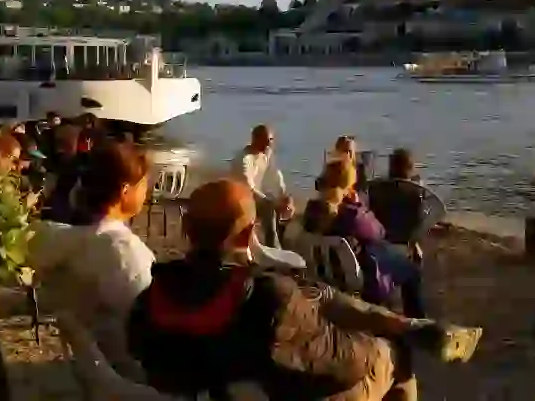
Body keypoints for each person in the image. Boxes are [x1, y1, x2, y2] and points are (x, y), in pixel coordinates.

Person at [127, 179, 482, 401]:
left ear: (188, 231)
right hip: (285, 389)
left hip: (213, 387)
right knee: (394, 357)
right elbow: (347, 364)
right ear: (248, 235)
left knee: (324, 300)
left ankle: (407, 326)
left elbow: (319, 298)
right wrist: (384, 343)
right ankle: (406, 333)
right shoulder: (268, 300)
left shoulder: (151, 299)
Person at [29, 141, 154, 375]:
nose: (147, 192)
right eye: (143, 185)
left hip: (87, 367)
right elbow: (150, 326)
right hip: (128, 373)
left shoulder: (55, 237)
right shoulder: (122, 251)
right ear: (125, 190)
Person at [304, 161, 427, 319]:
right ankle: (416, 322)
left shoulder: (314, 211)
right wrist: (358, 205)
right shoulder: (352, 215)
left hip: (328, 276)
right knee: (412, 269)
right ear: (349, 186)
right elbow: (379, 233)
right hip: (365, 278)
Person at [232, 124, 294, 247]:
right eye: (266, 140)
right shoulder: (244, 159)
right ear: (255, 139)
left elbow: (276, 176)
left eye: (271, 140)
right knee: (269, 209)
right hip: (242, 201)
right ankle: (274, 247)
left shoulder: (266, 154)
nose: (269, 144)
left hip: (259, 200)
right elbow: (248, 188)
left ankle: (278, 241)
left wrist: (285, 197)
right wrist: (271, 202)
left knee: (285, 206)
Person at [367, 150, 430, 257]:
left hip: (379, 242)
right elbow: (419, 222)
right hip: (404, 243)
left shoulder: (376, 188)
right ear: (410, 168)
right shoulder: (415, 193)